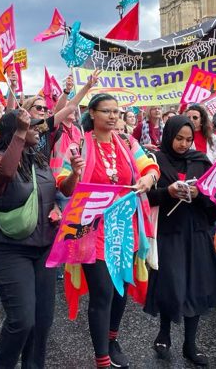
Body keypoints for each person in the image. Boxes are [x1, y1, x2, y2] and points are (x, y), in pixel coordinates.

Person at [58, 93, 159, 369]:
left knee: (121, 287)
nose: (113, 116)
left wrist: (149, 179)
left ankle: (112, 339)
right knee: (103, 290)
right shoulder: (79, 144)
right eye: (106, 111)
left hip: (125, 226)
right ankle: (101, 357)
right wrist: (74, 174)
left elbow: (149, 167)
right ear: (92, 113)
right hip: (91, 228)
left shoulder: (127, 141)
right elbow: (63, 185)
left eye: (116, 111)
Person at [0, 109, 67, 368]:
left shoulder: (39, 160)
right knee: (22, 320)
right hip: (9, 250)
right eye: (30, 126)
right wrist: (21, 130)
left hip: (43, 249)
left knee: (42, 322)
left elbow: (51, 194)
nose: (35, 130)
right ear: (14, 130)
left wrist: (56, 208)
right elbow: (5, 174)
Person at [145, 116, 216, 367]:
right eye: (178, 138)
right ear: (169, 135)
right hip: (169, 233)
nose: (183, 144)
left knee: (196, 287)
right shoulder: (155, 161)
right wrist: (168, 193)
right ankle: (164, 333)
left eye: (189, 139)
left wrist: (199, 193)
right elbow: (145, 197)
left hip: (197, 232)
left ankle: (190, 344)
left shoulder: (200, 160)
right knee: (170, 285)